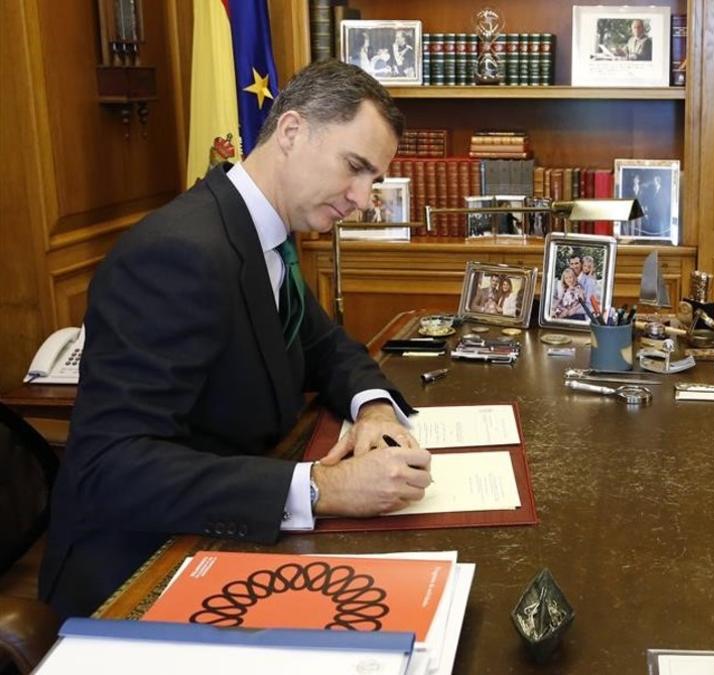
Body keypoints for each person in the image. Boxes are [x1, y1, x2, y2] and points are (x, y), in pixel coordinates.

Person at [40, 60, 433, 619]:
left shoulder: (264, 233)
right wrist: (322, 488)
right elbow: (112, 467)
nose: (364, 199)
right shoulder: (178, 252)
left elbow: (324, 346)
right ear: (292, 132)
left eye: (374, 180)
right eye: (355, 167)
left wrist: (374, 412)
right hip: (137, 572)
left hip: (224, 540)